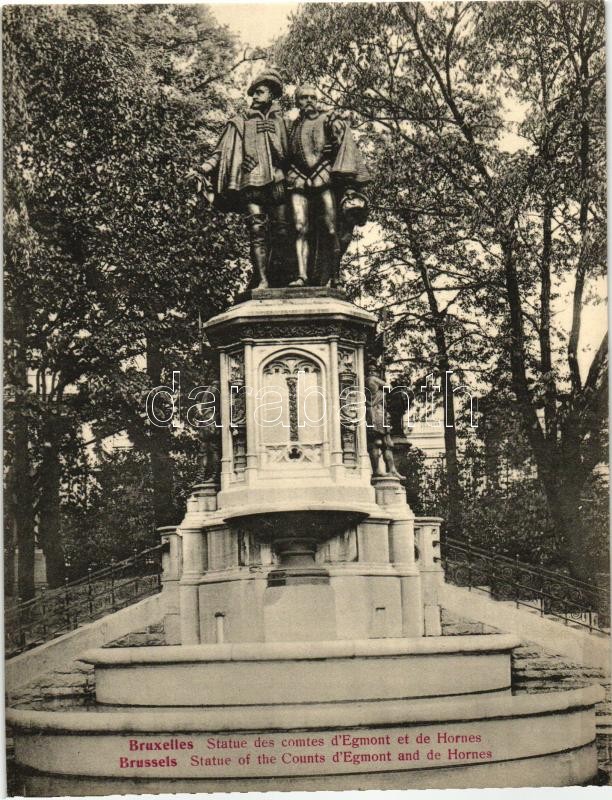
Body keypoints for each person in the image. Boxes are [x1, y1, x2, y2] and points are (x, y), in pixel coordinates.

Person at [198, 69, 291, 288]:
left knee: (282, 230)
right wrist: (204, 168)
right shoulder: (240, 122)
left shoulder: (282, 121)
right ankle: (262, 280)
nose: (255, 97)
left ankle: (280, 277)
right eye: (253, 93)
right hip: (251, 182)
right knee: (257, 230)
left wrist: (273, 137)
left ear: (272, 95)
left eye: (260, 92)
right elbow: (220, 152)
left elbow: (291, 153)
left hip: (278, 181)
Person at [286, 84, 370, 287]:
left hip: (323, 176)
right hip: (297, 179)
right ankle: (301, 276)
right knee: (299, 228)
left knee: (332, 228)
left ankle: (334, 275)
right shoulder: (292, 127)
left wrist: (349, 185)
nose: (309, 101)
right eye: (304, 98)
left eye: (312, 97)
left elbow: (344, 148)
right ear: (297, 102)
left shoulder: (329, 120)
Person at [365, 363, 402, 478]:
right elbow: (389, 388)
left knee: (386, 443)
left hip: (377, 413)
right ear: (372, 371)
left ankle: (391, 469)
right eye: (375, 371)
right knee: (377, 442)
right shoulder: (372, 379)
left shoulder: (364, 381)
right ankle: (378, 470)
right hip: (376, 414)